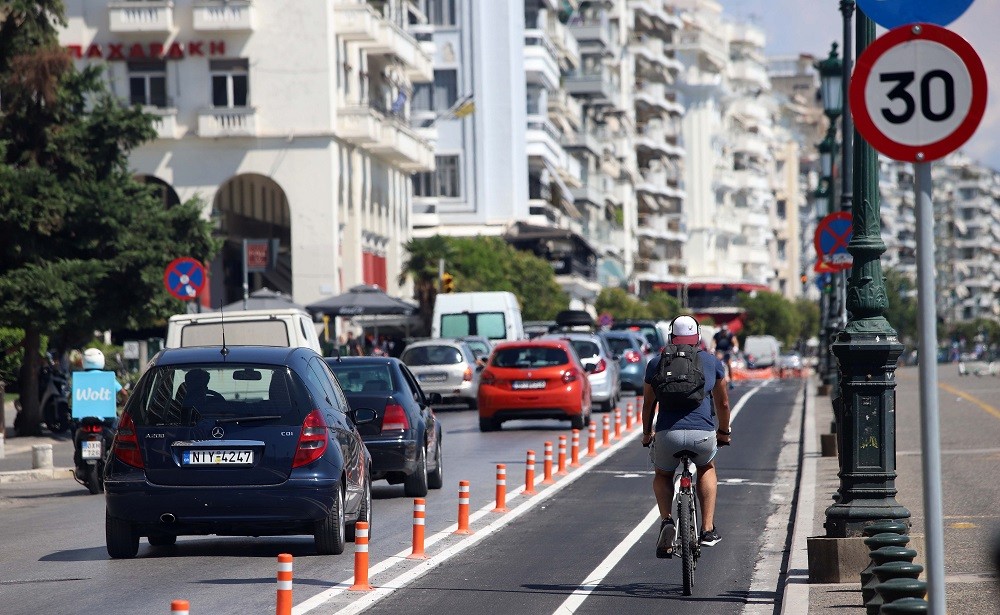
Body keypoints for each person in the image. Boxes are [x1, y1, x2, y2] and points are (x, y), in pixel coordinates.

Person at [641, 315, 731, 557]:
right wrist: (723, 432)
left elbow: (648, 404)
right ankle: (708, 529)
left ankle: (667, 520)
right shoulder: (711, 362)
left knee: (663, 473)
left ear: (671, 337)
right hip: (701, 435)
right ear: (698, 338)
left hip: (667, 435)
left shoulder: (656, 363)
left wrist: (647, 433)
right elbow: (722, 402)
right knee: (706, 467)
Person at [712, 322, 738, 389]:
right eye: (723, 330)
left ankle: (731, 381)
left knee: (729, 364)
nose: (724, 332)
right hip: (719, 351)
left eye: (725, 330)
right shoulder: (717, 335)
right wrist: (712, 348)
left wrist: (735, 347)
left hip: (727, 351)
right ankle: (717, 379)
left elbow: (734, 341)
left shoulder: (730, 335)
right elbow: (713, 342)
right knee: (717, 362)